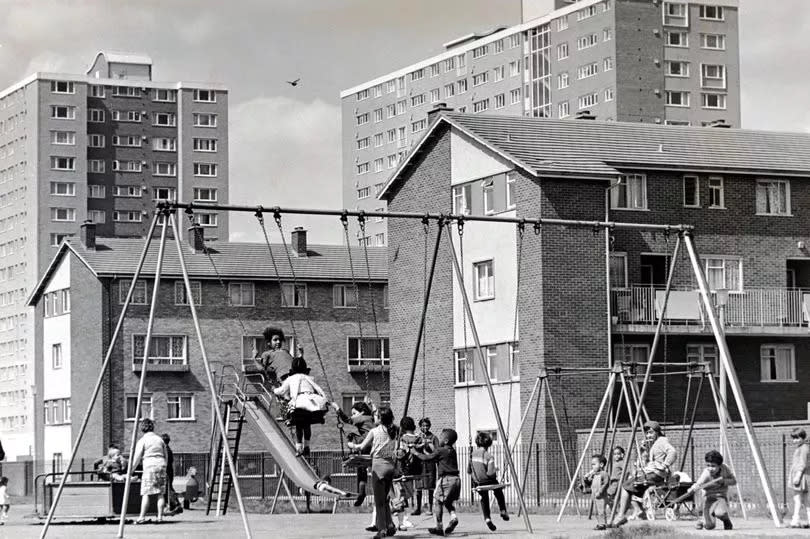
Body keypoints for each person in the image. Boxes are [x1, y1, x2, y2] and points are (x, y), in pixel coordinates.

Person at [609, 420, 677, 528]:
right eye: (647, 433)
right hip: (651, 473)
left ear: (657, 432)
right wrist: (641, 450)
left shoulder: (662, 442)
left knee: (626, 486)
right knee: (634, 489)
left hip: (655, 474)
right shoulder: (654, 444)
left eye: (651, 432)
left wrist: (665, 465)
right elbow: (642, 460)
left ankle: (621, 515)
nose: (649, 435)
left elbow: (672, 452)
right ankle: (639, 511)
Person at [348, 406, 398, 539]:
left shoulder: (374, 431)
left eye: (376, 415)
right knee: (386, 498)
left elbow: (361, 446)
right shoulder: (394, 430)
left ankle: (382, 529)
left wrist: (350, 445)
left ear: (380, 418)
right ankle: (391, 525)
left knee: (379, 501)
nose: (373, 417)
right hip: (390, 466)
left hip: (378, 466)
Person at [273, 357, 328, 456]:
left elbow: (281, 391)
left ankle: (298, 447)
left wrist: (274, 390)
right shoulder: (308, 378)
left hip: (299, 403)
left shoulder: (291, 378)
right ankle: (307, 446)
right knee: (307, 424)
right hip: (311, 402)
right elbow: (318, 388)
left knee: (298, 424)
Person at [411, 428, 461, 537]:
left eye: (441, 437)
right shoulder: (452, 451)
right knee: (447, 501)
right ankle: (453, 517)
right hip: (456, 480)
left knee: (438, 501)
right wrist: (427, 450)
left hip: (446, 480)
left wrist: (415, 453)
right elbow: (435, 455)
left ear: (446, 440)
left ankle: (439, 526)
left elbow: (427, 458)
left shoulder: (440, 450)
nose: (439, 438)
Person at [332, 399, 375, 506]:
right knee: (362, 467)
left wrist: (337, 408)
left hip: (365, 443)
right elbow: (376, 412)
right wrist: (372, 405)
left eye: (354, 413)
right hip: (374, 446)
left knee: (351, 435)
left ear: (362, 412)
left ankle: (361, 492)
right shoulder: (373, 418)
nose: (353, 416)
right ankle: (362, 491)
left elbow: (347, 420)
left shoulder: (363, 418)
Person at [468, 431, 509, 531]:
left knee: (484, 498)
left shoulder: (472, 455)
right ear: (489, 443)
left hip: (477, 482)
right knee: (498, 492)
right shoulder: (488, 456)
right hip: (488, 481)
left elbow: (468, 471)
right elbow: (490, 473)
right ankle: (503, 510)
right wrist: (496, 469)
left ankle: (487, 518)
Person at [130, 418, 168, 524]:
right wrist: (165, 466)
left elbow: (137, 457)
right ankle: (160, 517)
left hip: (149, 466)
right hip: (161, 465)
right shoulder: (160, 440)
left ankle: (142, 517)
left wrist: (131, 470)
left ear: (142, 428)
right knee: (160, 493)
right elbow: (166, 455)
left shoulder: (142, 441)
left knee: (146, 492)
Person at [688, 450, 736, 531]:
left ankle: (726, 520)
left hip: (720, 498)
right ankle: (704, 521)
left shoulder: (725, 469)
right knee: (710, 526)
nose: (710, 468)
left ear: (720, 465)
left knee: (720, 513)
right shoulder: (706, 473)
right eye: (708, 465)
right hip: (708, 499)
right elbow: (699, 483)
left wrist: (723, 481)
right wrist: (692, 489)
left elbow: (733, 481)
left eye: (713, 466)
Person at [393, 416, 420, 531]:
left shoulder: (402, 439)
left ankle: (401, 515)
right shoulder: (418, 438)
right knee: (403, 495)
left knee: (404, 495)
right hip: (410, 470)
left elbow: (398, 454)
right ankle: (402, 518)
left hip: (403, 469)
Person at [414, 417, 438, 516]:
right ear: (420, 427)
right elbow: (413, 447)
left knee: (430, 487)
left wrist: (428, 444)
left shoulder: (433, 437)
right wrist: (419, 445)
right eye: (423, 426)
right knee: (418, 487)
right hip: (419, 464)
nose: (425, 427)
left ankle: (430, 508)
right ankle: (418, 508)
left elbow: (437, 450)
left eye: (427, 425)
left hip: (429, 464)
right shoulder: (417, 437)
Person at [789, 427, 810, 528]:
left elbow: (803, 463)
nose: (794, 441)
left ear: (802, 437)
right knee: (805, 500)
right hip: (801, 476)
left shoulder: (804, 448)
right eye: (793, 438)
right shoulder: (802, 447)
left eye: (796, 438)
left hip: (801, 476)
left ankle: (795, 520)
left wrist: (797, 476)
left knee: (797, 499)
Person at [583, 454, 610, 530]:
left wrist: (600, 492)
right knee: (596, 511)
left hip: (601, 496)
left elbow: (606, 483)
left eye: (594, 464)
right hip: (594, 495)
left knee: (601, 511)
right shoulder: (594, 474)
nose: (592, 467)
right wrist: (586, 479)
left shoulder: (604, 474)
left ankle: (603, 524)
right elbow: (589, 483)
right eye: (592, 465)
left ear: (601, 464)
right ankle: (599, 523)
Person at [161, 434, 182, 515]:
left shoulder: (165, 450)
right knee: (168, 488)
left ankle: (176, 504)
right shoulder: (168, 449)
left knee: (168, 488)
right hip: (169, 471)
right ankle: (173, 504)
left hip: (167, 471)